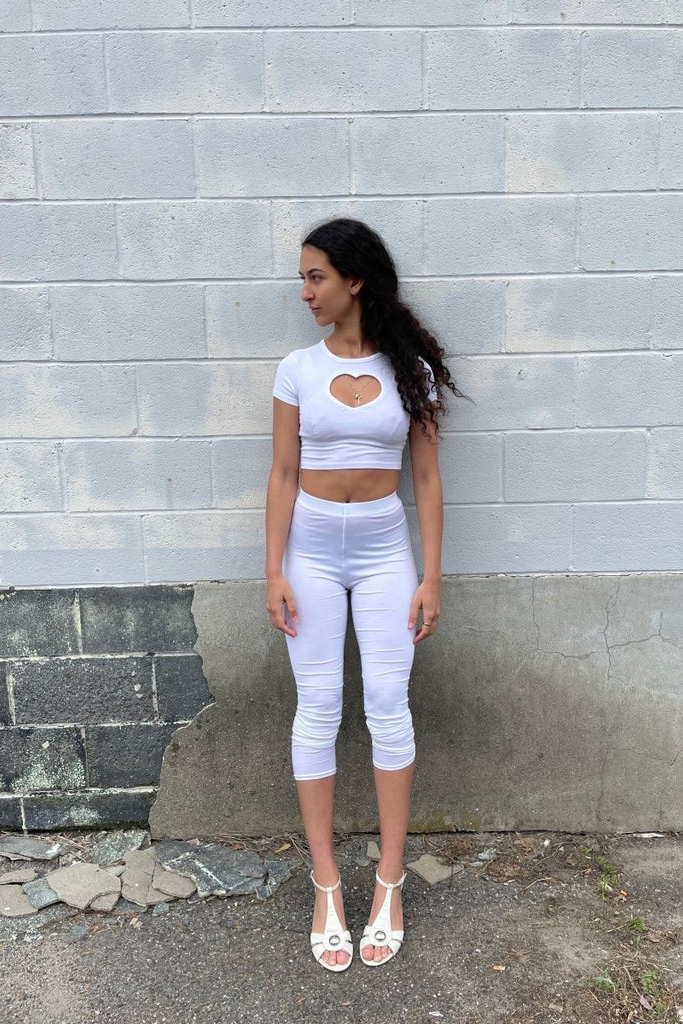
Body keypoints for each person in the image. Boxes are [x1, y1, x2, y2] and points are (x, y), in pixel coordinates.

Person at [264, 218, 460, 972]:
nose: (305, 291)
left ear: (355, 281)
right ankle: (324, 889)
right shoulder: (296, 370)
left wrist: (431, 576)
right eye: (303, 277)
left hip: (385, 553)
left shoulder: (409, 370)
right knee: (316, 706)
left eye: (316, 276)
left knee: (387, 705)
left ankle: (387, 885)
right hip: (309, 550)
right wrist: (273, 569)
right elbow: (283, 474)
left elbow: (429, 481)